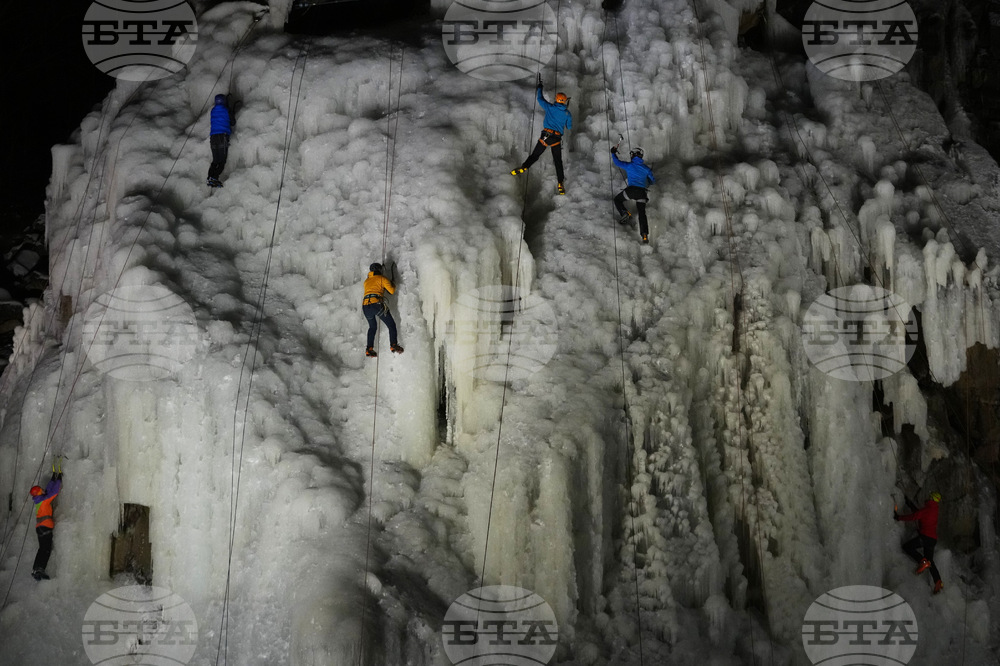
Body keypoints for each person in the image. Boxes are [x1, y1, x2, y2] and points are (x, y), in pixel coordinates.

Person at [511, 76, 573, 195]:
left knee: (535, 155)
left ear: (556, 99)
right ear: (564, 101)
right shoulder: (567, 113)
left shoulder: (550, 107)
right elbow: (569, 127)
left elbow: (540, 98)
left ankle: (524, 167)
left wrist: (540, 86)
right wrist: (565, 118)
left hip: (546, 137)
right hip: (556, 139)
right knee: (558, 162)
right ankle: (560, 184)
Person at [895, 491, 944, 594]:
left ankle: (922, 561)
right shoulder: (934, 509)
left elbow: (914, 516)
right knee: (930, 560)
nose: (928, 497)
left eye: (930, 496)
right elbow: (919, 514)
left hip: (925, 537)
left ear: (931, 498)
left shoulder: (928, 508)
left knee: (907, 547)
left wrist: (898, 517)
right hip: (932, 540)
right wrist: (909, 503)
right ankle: (938, 581)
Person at [611, 145, 656, 244]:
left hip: (631, 191)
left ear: (633, 156)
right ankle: (644, 235)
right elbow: (653, 181)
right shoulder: (646, 169)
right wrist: (647, 181)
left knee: (617, 200)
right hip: (642, 193)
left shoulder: (629, 165)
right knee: (642, 213)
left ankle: (625, 213)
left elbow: (617, 162)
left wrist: (613, 153)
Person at [29, 463, 63, 581]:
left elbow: (48, 491)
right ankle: (39, 569)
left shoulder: (39, 500)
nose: (42, 490)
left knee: (42, 548)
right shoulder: (43, 501)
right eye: (40, 490)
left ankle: (36, 569)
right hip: (45, 527)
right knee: (45, 549)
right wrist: (58, 480)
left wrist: (53, 478)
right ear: (39, 493)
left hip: (40, 528)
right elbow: (53, 493)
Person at [363, 263, 403, 357]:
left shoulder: (366, 281)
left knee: (372, 327)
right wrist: (393, 283)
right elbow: (391, 291)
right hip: (376, 305)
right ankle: (393, 345)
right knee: (391, 325)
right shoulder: (382, 278)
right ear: (380, 270)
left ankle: (369, 349)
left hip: (365, 306)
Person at [207, 94, 233, 188]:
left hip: (213, 138)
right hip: (222, 137)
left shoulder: (212, 111)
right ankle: (214, 178)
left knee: (215, 161)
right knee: (222, 161)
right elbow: (233, 122)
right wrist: (230, 109)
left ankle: (210, 178)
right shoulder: (226, 110)